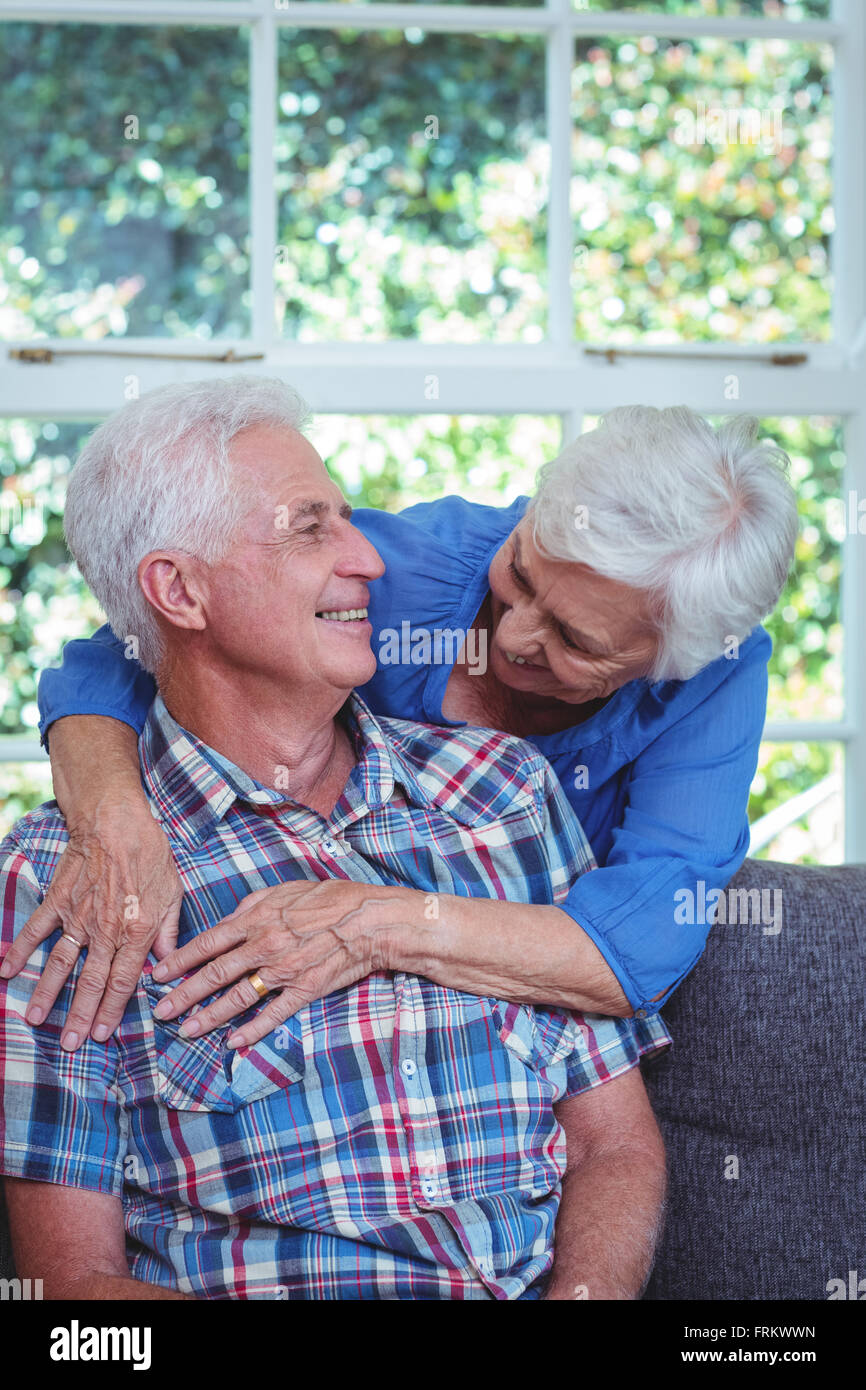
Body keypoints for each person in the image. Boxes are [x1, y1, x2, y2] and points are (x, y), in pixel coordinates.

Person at [0, 383, 670, 1299]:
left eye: (348, 521)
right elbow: (72, 1294)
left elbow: (616, 1145)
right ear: (180, 590)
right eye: (309, 528)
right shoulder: (65, 882)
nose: (368, 558)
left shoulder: (502, 794)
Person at [1, 381, 798, 1052]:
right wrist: (111, 816)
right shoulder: (405, 566)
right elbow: (138, 640)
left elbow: (639, 943)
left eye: (576, 641)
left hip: (498, 1031)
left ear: (669, 659)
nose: (515, 639)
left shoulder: (711, 673)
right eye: (519, 573)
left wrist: (376, 922)